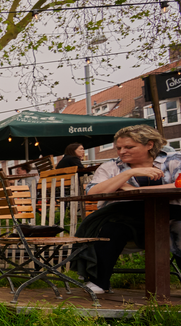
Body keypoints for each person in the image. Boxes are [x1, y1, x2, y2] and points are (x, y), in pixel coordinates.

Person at [71, 124, 181, 294]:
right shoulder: (111, 167)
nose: (122, 152)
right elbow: (92, 192)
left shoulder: (174, 160)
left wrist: (133, 190)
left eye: (129, 147)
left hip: (171, 215)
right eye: (119, 148)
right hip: (124, 217)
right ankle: (100, 282)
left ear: (149, 145)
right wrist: (126, 175)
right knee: (111, 229)